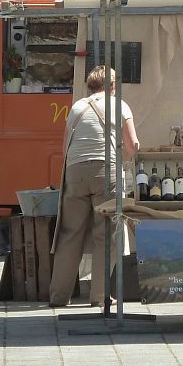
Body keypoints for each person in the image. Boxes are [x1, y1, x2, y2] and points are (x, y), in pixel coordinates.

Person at [49, 65, 140, 307]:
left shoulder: (77, 107)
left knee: (70, 234)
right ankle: (100, 296)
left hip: (75, 172)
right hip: (105, 171)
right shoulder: (119, 105)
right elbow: (132, 145)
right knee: (107, 235)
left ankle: (59, 296)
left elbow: (65, 148)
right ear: (112, 85)